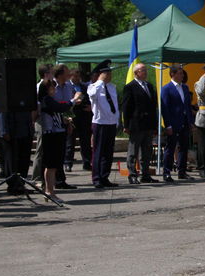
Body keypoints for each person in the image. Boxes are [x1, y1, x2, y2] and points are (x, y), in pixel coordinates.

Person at [37, 81, 82, 203]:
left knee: (55, 165)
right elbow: (60, 107)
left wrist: (65, 121)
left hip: (57, 133)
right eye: (52, 86)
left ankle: (50, 191)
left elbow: (58, 110)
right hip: (51, 135)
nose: (55, 89)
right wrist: (74, 99)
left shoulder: (51, 99)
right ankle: (48, 191)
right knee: (50, 164)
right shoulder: (46, 100)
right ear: (47, 88)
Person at [122, 62, 158, 184]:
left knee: (147, 151)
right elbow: (126, 108)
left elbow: (153, 106)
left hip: (148, 124)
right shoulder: (130, 87)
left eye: (145, 70)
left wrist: (154, 125)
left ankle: (145, 174)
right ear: (136, 73)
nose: (146, 72)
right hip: (136, 124)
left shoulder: (149, 86)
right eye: (143, 70)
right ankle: (132, 174)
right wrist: (126, 125)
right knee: (133, 151)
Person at [87, 59, 120, 188]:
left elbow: (115, 105)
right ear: (101, 74)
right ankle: (96, 178)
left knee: (108, 152)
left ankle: (105, 176)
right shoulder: (94, 87)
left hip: (111, 123)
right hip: (100, 123)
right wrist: (100, 81)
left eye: (110, 73)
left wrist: (116, 120)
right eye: (106, 73)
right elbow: (93, 95)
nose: (109, 76)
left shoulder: (112, 87)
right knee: (98, 152)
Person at [161, 64, 195, 181]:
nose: (182, 75)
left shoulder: (185, 87)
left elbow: (187, 106)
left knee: (184, 147)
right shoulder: (166, 89)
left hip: (184, 122)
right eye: (180, 73)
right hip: (173, 123)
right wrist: (168, 125)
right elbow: (165, 108)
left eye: (182, 73)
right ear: (172, 74)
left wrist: (190, 121)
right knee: (170, 148)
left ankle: (182, 171)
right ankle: (167, 172)